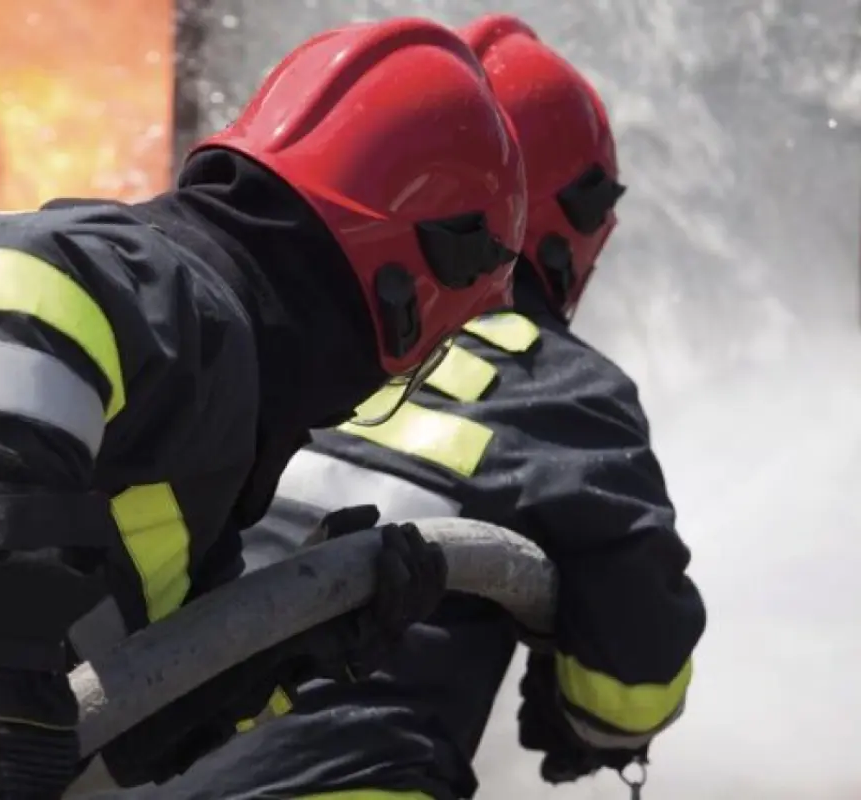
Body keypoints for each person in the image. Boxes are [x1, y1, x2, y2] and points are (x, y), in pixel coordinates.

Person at [0, 16, 527, 800]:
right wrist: (14, 663)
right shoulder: (170, 291)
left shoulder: (156, 401)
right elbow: (30, 304)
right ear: (410, 293)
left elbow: (113, 726)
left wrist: (293, 645)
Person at [101, 14, 707, 800]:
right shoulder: (560, 389)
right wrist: (579, 704)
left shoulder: (259, 335)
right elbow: (630, 690)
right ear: (570, 222)